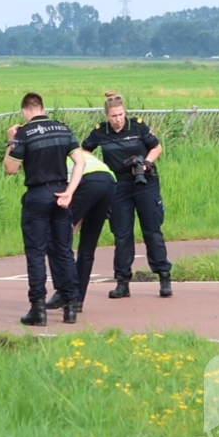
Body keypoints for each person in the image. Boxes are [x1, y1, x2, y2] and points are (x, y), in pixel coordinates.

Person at [4, 93, 84, 326]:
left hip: (37, 195)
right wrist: (70, 191)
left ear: (24, 111)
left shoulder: (24, 134)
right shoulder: (62, 128)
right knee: (63, 250)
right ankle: (70, 305)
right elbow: (80, 162)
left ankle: (38, 309)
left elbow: (10, 168)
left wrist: (11, 141)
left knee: (36, 253)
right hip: (61, 193)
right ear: (42, 107)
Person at [82, 92, 172, 298]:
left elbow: (156, 147)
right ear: (107, 115)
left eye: (120, 114)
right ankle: (122, 281)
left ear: (125, 112)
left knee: (152, 230)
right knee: (122, 235)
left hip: (145, 183)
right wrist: (101, 168)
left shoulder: (138, 126)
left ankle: (164, 275)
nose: (118, 119)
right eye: (113, 116)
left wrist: (146, 164)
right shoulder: (100, 132)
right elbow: (84, 151)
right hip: (119, 185)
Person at [46, 149, 116, 313]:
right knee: (88, 246)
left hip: (86, 182)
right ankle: (77, 301)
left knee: (55, 239)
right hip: (108, 181)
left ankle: (64, 291)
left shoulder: (53, 157)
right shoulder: (78, 151)